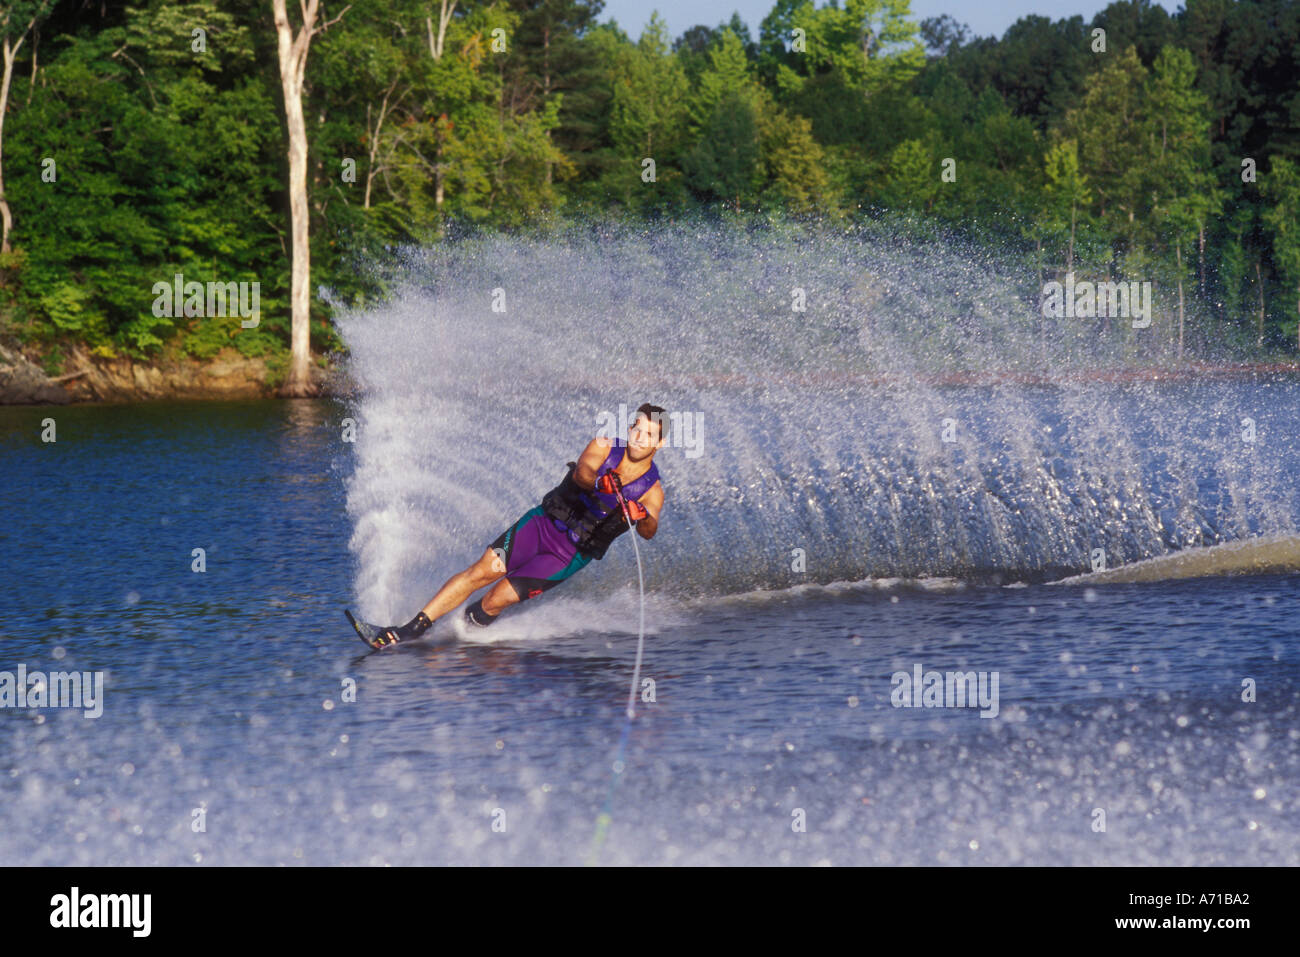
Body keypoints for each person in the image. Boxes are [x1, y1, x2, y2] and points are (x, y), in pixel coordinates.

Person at [364, 403, 668, 647]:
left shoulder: (652, 491)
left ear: (660, 442)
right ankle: (409, 630)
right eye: (636, 429)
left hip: (568, 555)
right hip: (540, 526)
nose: (639, 438)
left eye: (648, 434)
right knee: (481, 572)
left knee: (497, 599)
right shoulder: (603, 447)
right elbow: (583, 474)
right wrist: (601, 481)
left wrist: (641, 515)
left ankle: (461, 635)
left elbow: (649, 531)